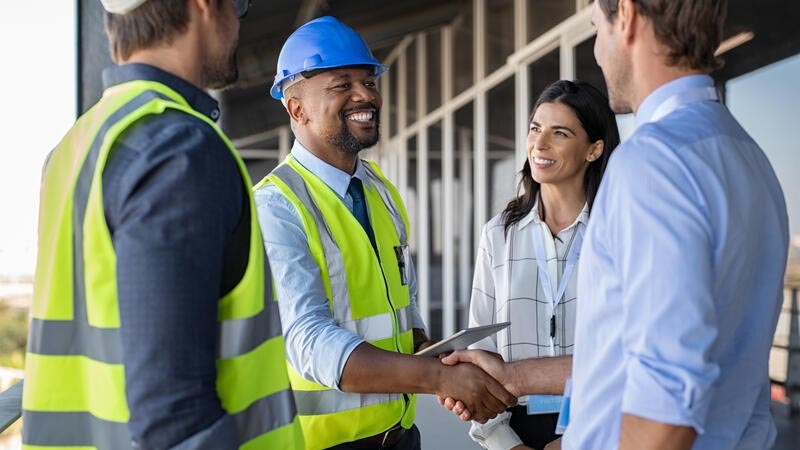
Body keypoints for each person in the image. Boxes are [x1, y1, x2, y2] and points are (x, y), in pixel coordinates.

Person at [446, 1, 791, 449]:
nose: (596, 50)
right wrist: (514, 376)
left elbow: (666, 400)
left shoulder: (653, 162)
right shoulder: (747, 156)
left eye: (595, 27)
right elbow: (631, 358)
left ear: (625, 16)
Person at [22, 0, 303, 448]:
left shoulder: (75, 146)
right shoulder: (178, 150)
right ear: (205, 6)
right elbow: (175, 419)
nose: (239, 19)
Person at [253, 15, 516, 450]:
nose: (365, 96)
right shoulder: (276, 207)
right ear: (296, 107)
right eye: (342, 84)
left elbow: (401, 317)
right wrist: (441, 378)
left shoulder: (378, 190)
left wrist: (448, 359)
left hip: (400, 438)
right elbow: (309, 342)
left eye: (369, 81)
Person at [463, 79, 619, 450]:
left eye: (559, 133)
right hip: (516, 431)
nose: (540, 144)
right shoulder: (498, 234)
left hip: (601, 427)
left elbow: (632, 354)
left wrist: (574, 442)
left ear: (594, 149)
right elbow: (481, 348)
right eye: (535, 128)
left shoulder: (618, 232)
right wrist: (503, 441)